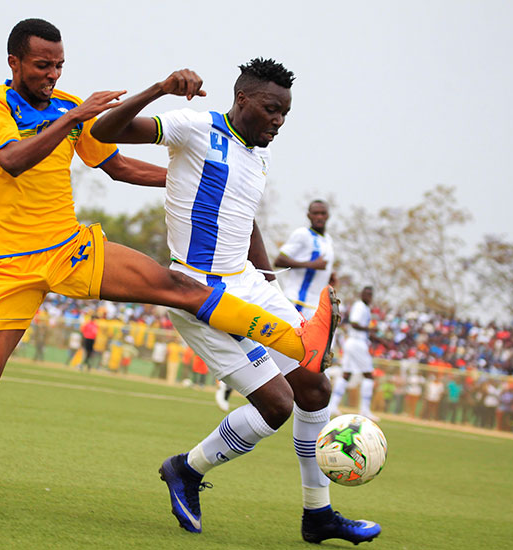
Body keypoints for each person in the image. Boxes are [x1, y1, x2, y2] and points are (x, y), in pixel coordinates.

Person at [0, 19, 337, 501]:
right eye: (41, 65)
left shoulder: (67, 107)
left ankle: (297, 337)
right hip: (9, 264)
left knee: (175, 286)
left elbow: (117, 167)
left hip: (70, 248)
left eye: (59, 65)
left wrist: (197, 181)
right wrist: (73, 120)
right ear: (13, 62)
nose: (52, 75)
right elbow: (13, 160)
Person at [91, 59, 378, 544]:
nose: (278, 121)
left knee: (315, 387)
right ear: (242, 99)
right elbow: (104, 129)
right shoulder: (196, 126)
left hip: (248, 282)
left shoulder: (257, 156)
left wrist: (268, 281)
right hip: (199, 292)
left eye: (285, 114)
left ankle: (318, 515)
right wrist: (160, 89)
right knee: (276, 404)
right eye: (271, 109)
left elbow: (244, 220)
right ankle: (186, 469)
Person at [274, 200, 335, 320]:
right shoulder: (302, 234)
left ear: (328, 216)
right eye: (315, 213)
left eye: (323, 213)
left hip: (315, 305)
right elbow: (279, 261)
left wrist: (329, 276)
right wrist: (312, 265)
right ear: (309, 215)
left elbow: (322, 267)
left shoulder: (328, 240)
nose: (319, 217)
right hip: (297, 301)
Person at [327, 286, 379, 421]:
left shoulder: (366, 308)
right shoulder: (360, 306)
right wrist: (370, 329)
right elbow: (354, 323)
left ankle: (333, 405)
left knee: (346, 374)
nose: (367, 296)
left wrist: (381, 340)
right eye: (365, 293)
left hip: (353, 342)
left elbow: (364, 330)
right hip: (357, 343)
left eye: (370, 294)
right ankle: (365, 410)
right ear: (361, 294)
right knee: (369, 375)